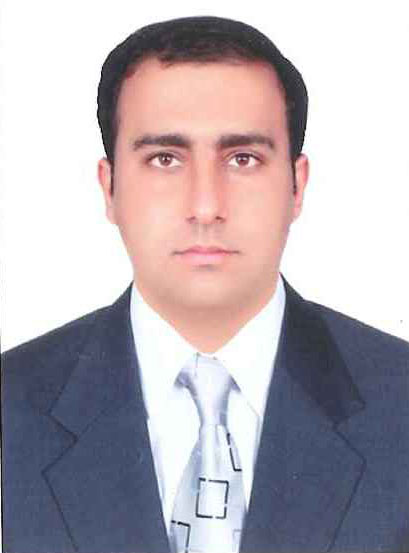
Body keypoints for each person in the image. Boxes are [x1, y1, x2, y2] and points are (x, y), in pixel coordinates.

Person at [1, 14, 409, 553]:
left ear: (297, 185)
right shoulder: (11, 406)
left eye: (243, 158)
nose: (205, 206)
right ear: (109, 187)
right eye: (164, 159)